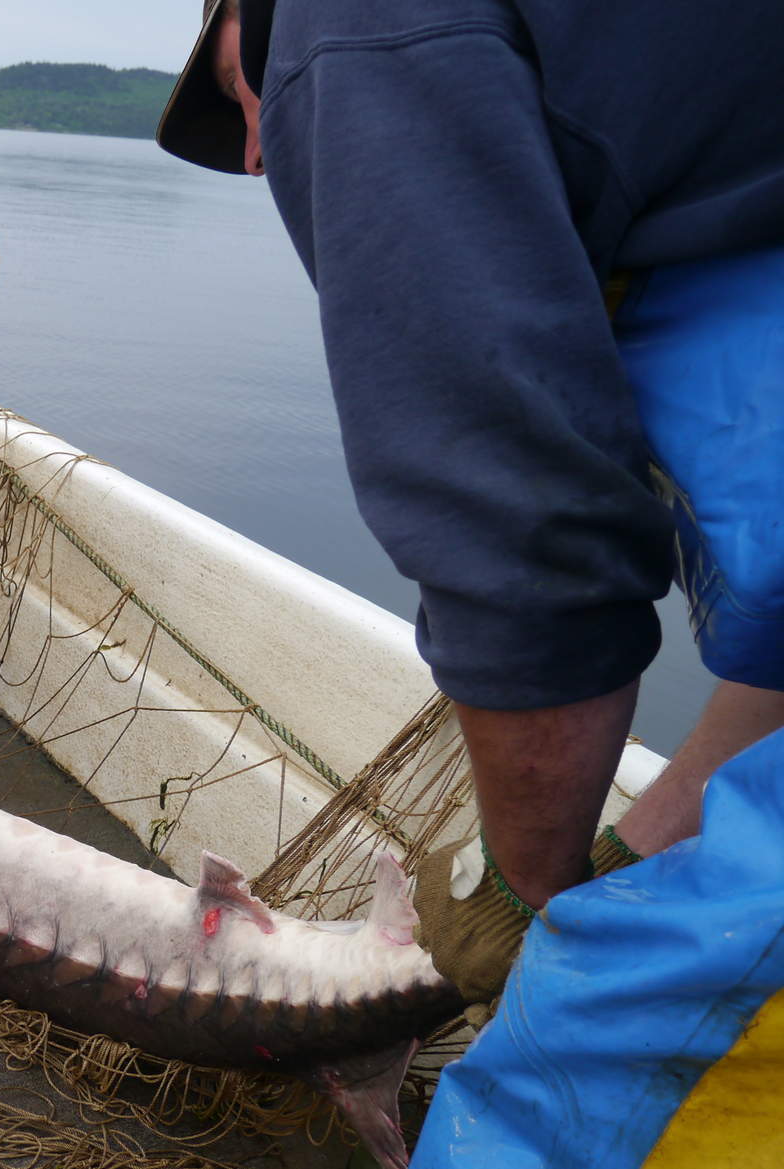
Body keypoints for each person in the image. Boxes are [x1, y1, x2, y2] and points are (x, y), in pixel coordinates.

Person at [157, 1, 784, 1162]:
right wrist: (648, 833)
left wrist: (529, 890)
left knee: (543, 1114)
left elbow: (520, 543)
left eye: (234, 97)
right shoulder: (702, 128)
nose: (257, 147)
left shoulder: (349, 30)